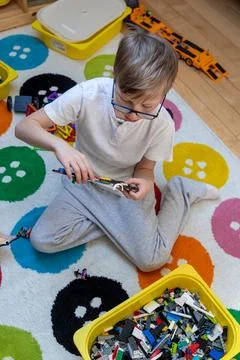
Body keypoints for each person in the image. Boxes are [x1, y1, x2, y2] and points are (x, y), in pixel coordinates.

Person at [15, 30, 219, 271]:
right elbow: (25, 127)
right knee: (42, 241)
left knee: (152, 260)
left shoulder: (162, 123)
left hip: (124, 189)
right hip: (83, 183)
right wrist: (60, 146)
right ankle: (116, 226)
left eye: (147, 106)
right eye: (125, 100)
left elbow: (145, 168)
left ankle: (181, 191)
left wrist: (144, 182)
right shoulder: (87, 94)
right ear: (115, 76)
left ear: (165, 93)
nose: (134, 114)